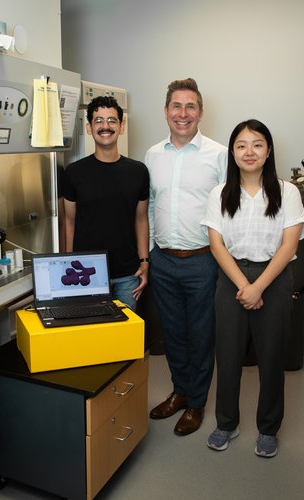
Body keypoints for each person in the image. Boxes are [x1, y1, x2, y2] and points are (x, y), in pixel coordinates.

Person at [201, 119, 304, 457]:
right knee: (228, 356)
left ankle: (268, 428)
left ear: (268, 150)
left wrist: (258, 286)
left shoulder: (287, 192)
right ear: (232, 153)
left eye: (257, 144)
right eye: (242, 145)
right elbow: (216, 244)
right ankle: (226, 423)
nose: (250, 151)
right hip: (231, 278)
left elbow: (290, 246)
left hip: (273, 279)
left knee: (272, 358)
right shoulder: (220, 193)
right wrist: (243, 285)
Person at [145, 78, 227, 435]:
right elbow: (148, 206)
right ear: (166, 111)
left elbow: (229, 209)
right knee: (174, 333)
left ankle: (196, 403)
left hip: (203, 259)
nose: (183, 114)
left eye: (190, 106)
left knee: (201, 335)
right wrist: (148, 253)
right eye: (176, 106)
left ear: (200, 112)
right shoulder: (153, 154)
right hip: (163, 259)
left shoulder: (219, 154)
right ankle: (180, 392)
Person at [63, 95, 150, 310]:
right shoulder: (74, 172)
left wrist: (145, 261)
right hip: (85, 272)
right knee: (92, 337)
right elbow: (69, 223)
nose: (105, 126)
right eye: (98, 120)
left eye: (112, 120)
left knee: (124, 339)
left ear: (121, 126)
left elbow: (141, 220)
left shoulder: (138, 171)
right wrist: (67, 265)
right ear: (90, 127)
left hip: (127, 274)